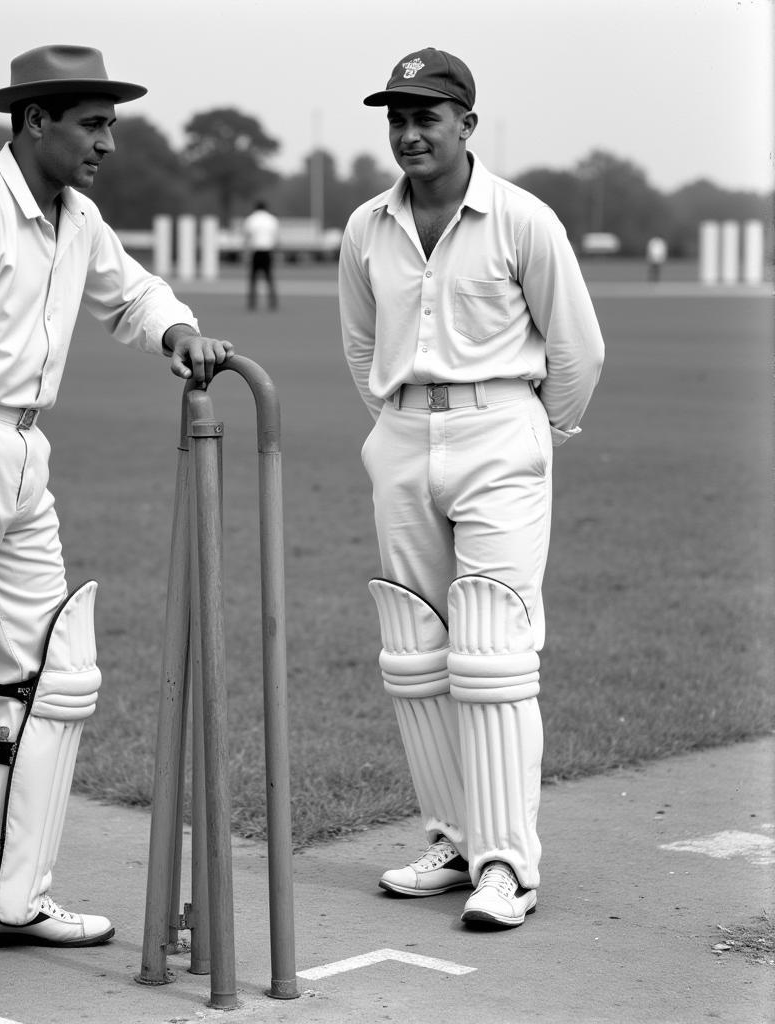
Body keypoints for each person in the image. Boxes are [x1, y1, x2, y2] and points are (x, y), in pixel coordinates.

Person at [0, 44, 234, 993]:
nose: (108, 140)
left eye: (110, 123)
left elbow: (132, 294)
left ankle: (3, 896)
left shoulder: (79, 220)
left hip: (24, 453)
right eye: (92, 123)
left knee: (49, 676)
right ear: (34, 123)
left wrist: (176, 328)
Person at [339, 47, 604, 929]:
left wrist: (536, 434)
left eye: (426, 117)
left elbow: (578, 350)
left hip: (502, 432)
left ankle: (508, 868)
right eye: (397, 119)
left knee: (491, 656)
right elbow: (358, 345)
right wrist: (393, 428)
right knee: (416, 655)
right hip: (404, 434)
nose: (410, 134)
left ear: (467, 125)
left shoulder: (523, 219)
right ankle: (454, 841)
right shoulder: (365, 227)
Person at [242, 199, 280, 310]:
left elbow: (247, 237)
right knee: (269, 277)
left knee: (253, 278)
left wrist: (245, 254)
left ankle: (252, 303)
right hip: (267, 251)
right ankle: (273, 302)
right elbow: (276, 237)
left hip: (256, 252)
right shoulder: (272, 219)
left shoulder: (251, 219)